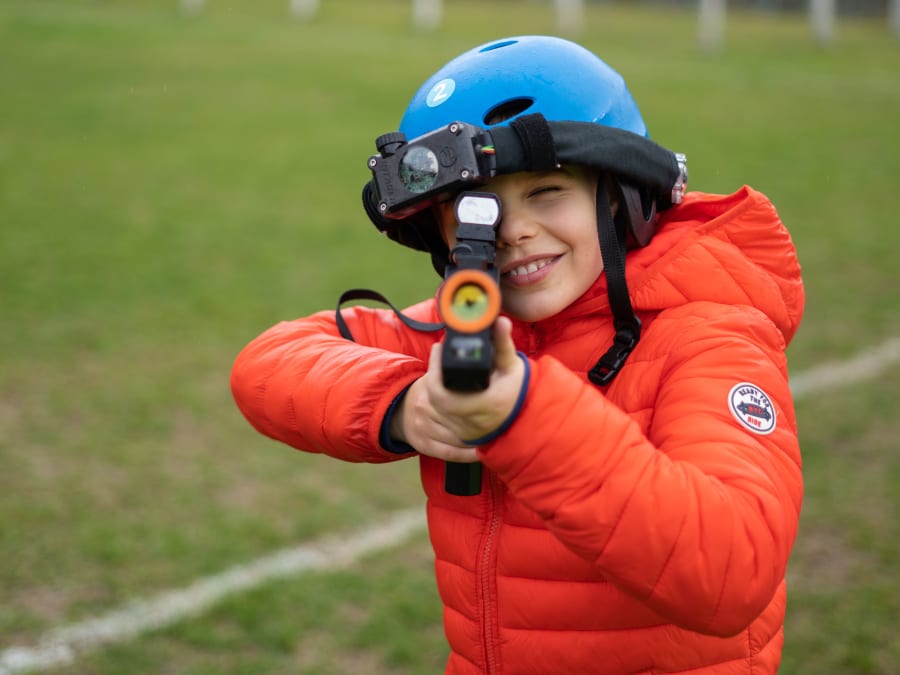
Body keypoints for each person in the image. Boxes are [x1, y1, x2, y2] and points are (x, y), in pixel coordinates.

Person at [231, 35, 804, 674]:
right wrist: (404, 405)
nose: (512, 231)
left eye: (547, 191)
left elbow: (731, 575)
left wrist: (523, 416)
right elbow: (268, 361)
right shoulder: (474, 324)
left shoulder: (710, 335)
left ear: (616, 193)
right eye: (476, 209)